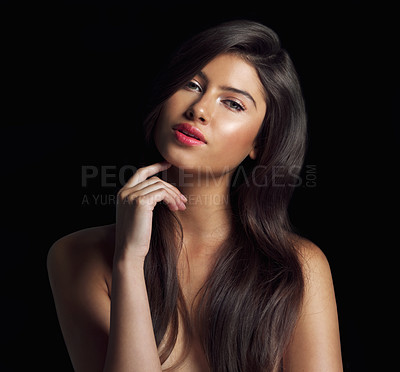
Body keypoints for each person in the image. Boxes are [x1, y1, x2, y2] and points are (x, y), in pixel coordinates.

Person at [47, 20, 343, 372]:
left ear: (260, 143)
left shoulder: (297, 268)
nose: (199, 109)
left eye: (232, 103)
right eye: (191, 84)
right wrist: (129, 261)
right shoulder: (78, 256)